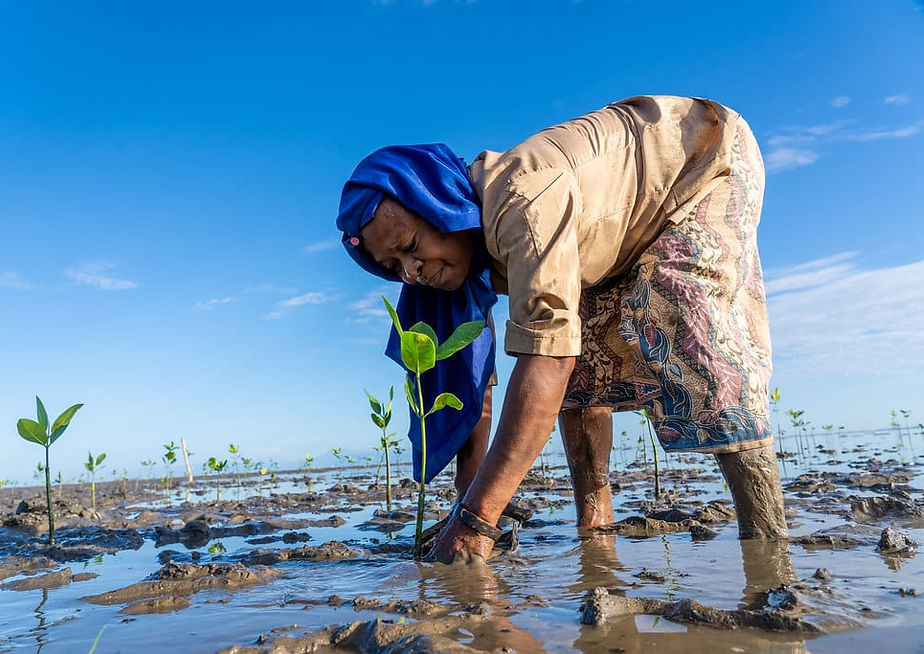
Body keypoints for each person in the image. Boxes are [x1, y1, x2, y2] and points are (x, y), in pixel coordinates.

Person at [336, 95, 789, 564]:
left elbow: (547, 359)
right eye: (393, 265)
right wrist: (467, 501)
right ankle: (596, 536)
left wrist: (477, 522)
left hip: (698, 160)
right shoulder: (461, 260)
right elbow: (475, 377)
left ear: (440, 204)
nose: (410, 271)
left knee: (694, 332)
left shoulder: (524, 204)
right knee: (583, 372)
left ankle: (768, 550)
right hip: (610, 234)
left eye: (411, 246)